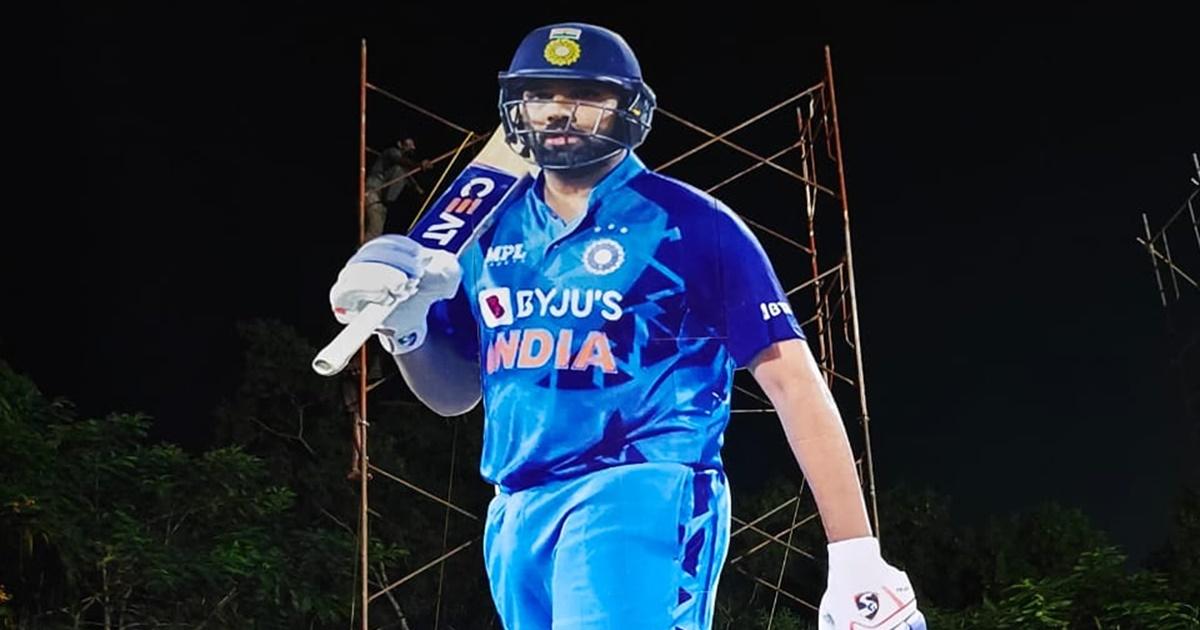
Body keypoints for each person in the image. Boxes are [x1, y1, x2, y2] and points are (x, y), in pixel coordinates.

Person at [328, 22, 925, 630]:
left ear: (628, 108)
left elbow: (793, 381)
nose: (558, 112)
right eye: (540, 95)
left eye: (585, 95)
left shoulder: (691, 223)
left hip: (640, 490)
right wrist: (406, 330)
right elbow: (455, 395)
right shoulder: (485, 234)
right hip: (515, 508)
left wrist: (855, 552)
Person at [364, 137, 431, 240]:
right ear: (400, 144)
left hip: (380, 199)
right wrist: (419, 165)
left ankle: (365, 247)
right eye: (408, 145)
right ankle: (365, 249)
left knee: (377, 230)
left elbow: (411, 181)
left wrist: (421, 193)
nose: (412, 148)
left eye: (413, 145)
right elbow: (399, 160)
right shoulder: (392, 152)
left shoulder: (402, 169)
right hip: (373, 193)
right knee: (375, 230)